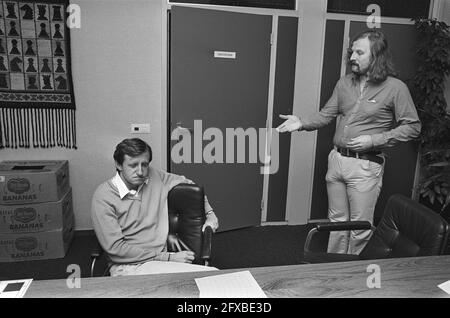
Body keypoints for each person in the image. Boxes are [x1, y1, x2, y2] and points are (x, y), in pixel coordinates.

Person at [277, 29, 421, 255]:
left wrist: (374, 139)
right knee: (336, 222)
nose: (352, 57)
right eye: (351, 52)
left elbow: (413, 127)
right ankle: (334, 268)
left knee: (359, 225)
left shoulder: (395, 88)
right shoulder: (344, 83)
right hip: (336, 161)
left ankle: (355, 275)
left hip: (365, 165)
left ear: (376, 56)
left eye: (359, 53)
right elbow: (326, 114)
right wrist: (301, 122)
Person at [91, 138, 219, 276]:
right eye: (133, 165)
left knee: (213, 278)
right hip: (128, 266)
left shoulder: (154, 176)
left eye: (144, 164)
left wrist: (210, 214)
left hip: (159, 262)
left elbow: (190, 186)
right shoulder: (103, 197)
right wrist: (169, 258)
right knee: (210, 278)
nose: (140, 171)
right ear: (119, 164)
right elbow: (116, 250)